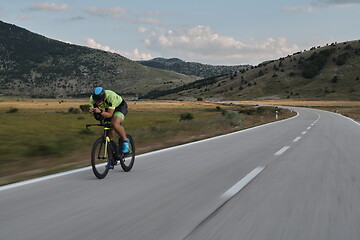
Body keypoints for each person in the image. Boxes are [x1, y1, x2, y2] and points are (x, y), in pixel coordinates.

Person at [89, 87, 129, 160]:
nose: (97, 102)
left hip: (120, 107)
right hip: (108, 108)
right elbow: (97, 113)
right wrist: (94, 112)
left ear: (104, 98)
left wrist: (100, 112)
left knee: (115, 124)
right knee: (109, 137)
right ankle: (111, 158)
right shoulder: (92, 99)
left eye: (99, 101)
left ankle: (125, 141)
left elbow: (110, 114)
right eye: (96, 101)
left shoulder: (111, 97)